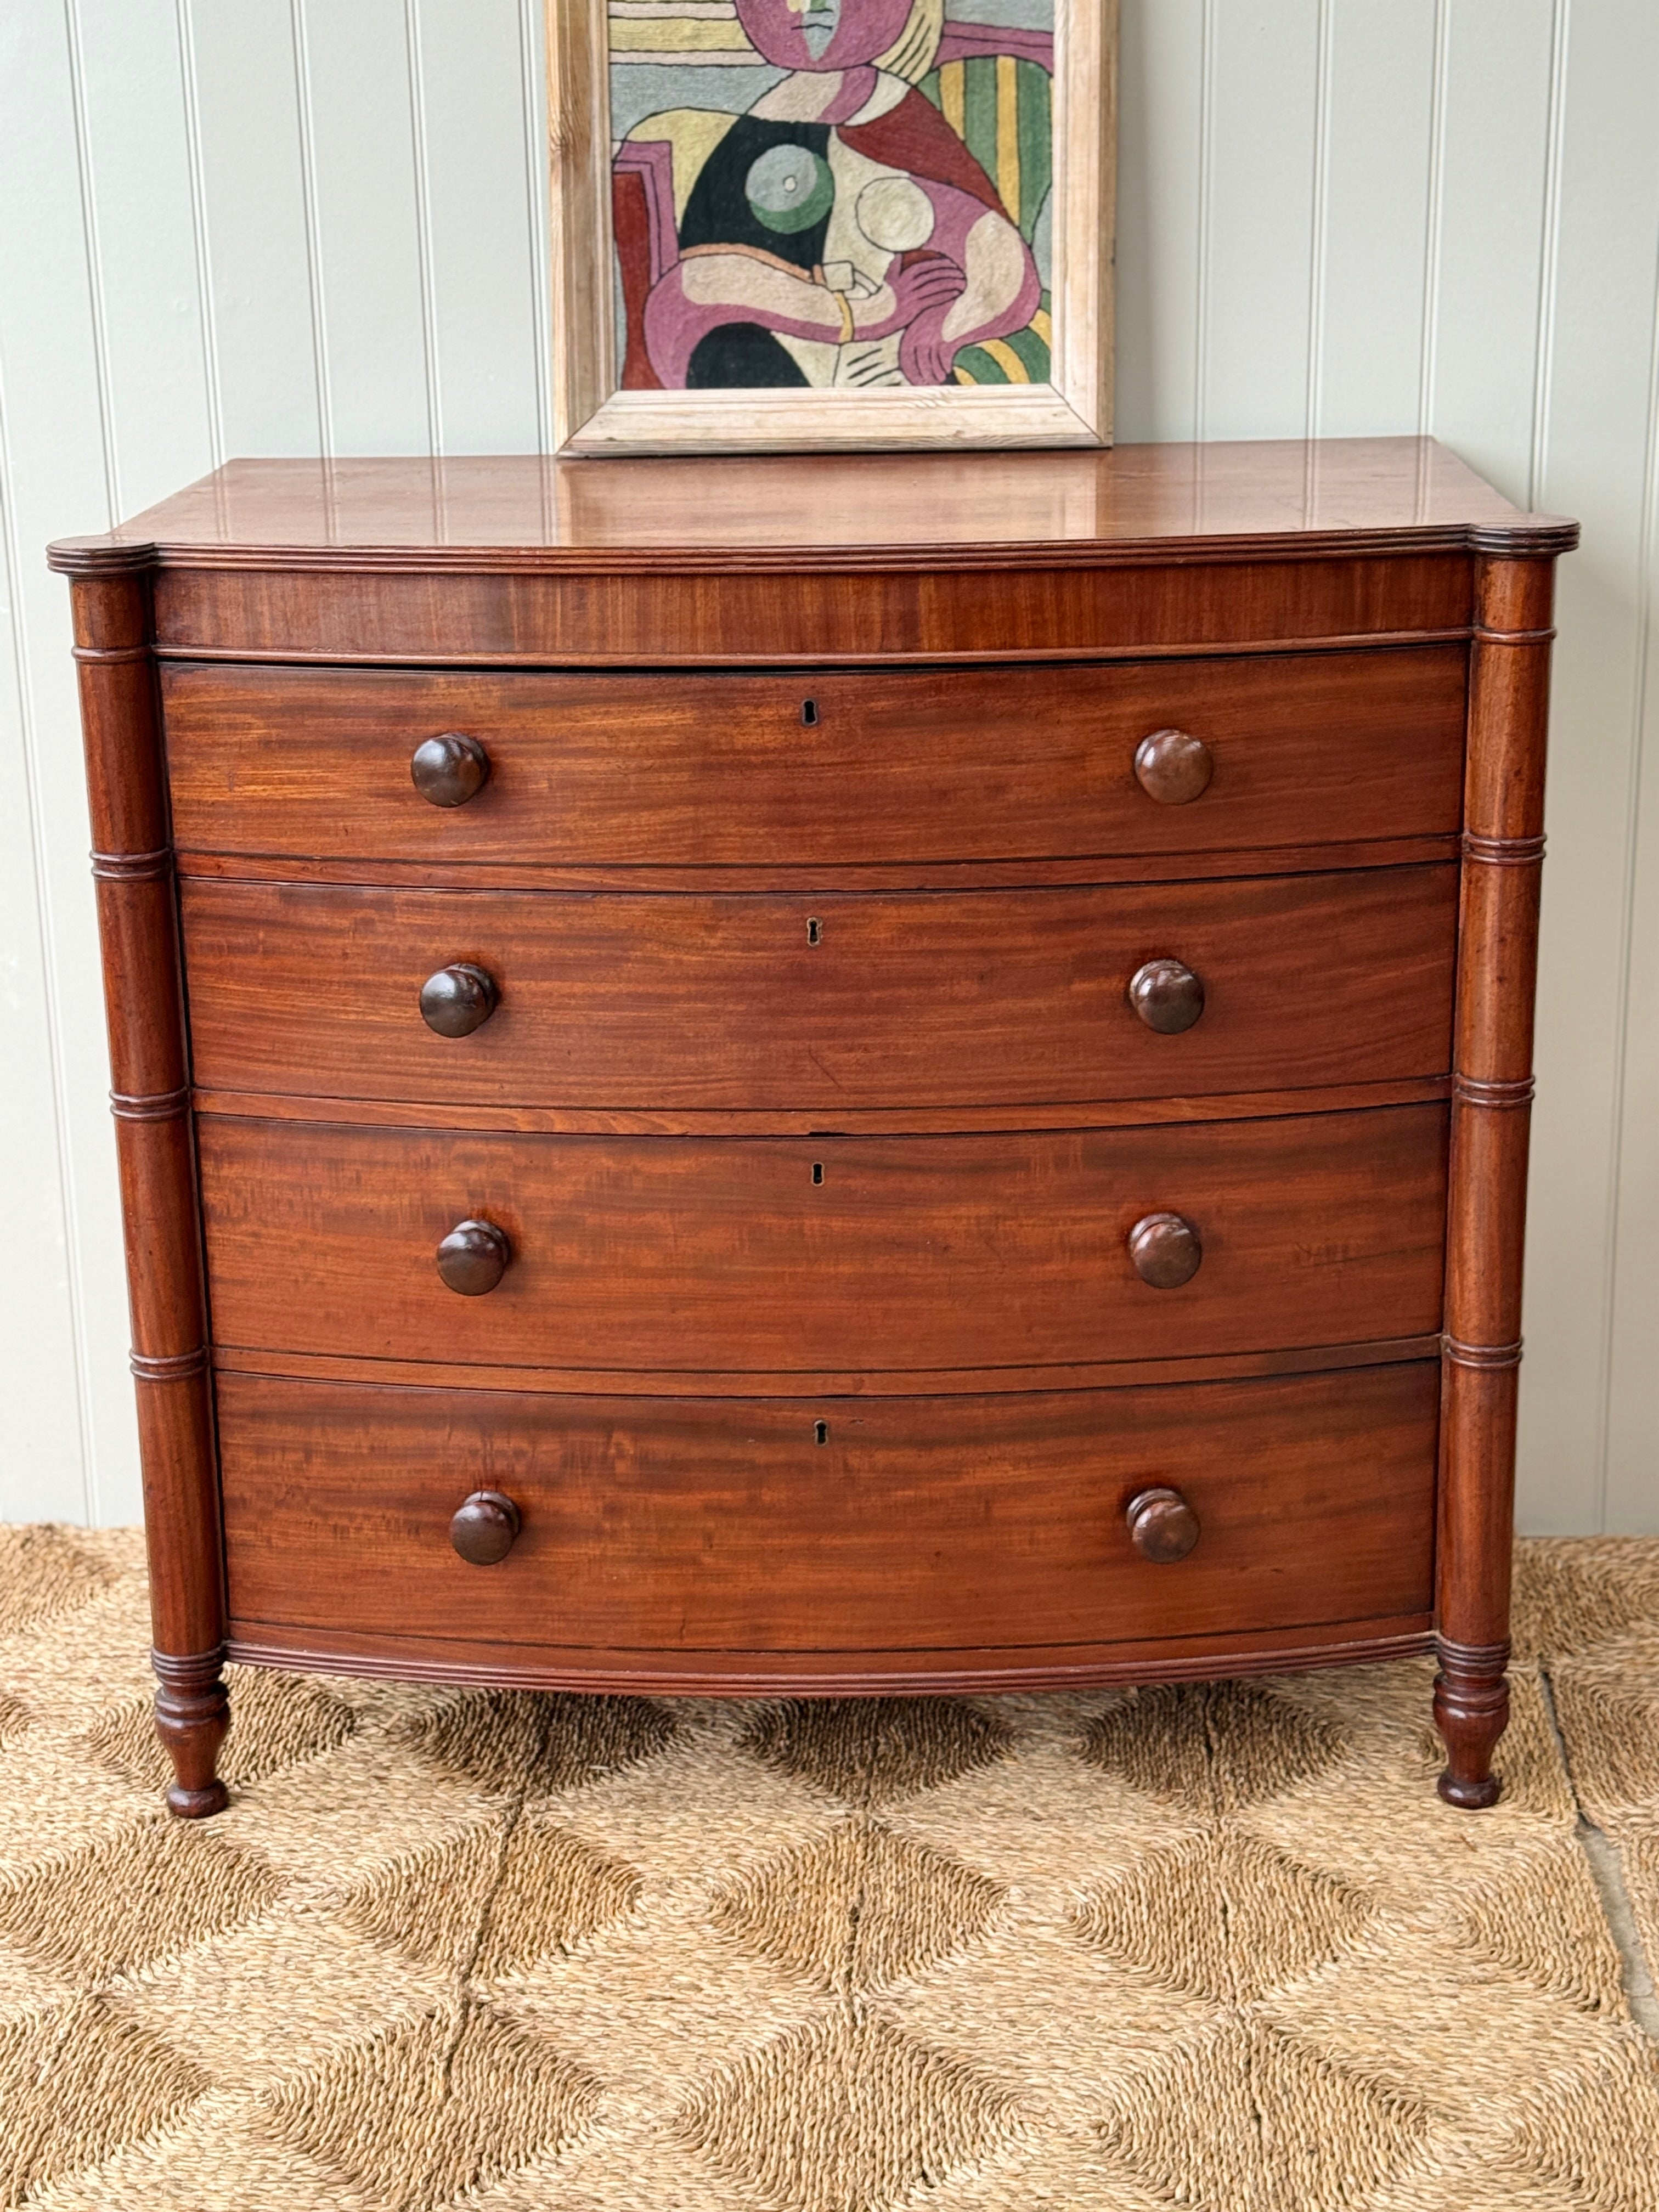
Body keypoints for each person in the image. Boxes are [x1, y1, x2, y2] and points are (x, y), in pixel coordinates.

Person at [625, 0, 1042, 390]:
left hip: (884, 374)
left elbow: (1001, 265)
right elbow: (698, 288)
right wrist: (865, 314)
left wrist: (947, 329)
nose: (813, 7)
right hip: (763, 365)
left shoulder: (896, 120)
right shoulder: (760, 126)